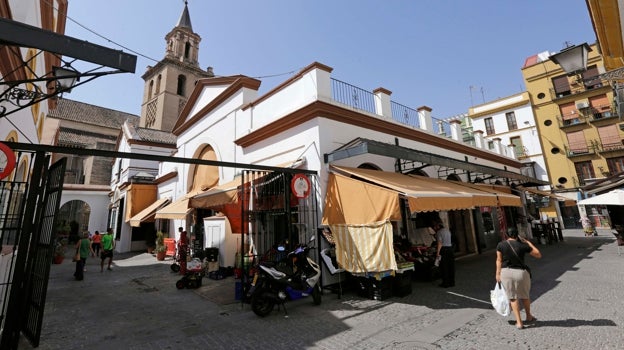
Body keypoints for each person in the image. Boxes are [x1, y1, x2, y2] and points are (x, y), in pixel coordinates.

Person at [495, 229, 542, 329]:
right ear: (517, 235)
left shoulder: (501, 245)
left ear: (506, 235)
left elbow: (499, 260)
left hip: (506, 273)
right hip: (521, 273)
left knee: (513, 298)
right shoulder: (522, 245)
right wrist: (529, 243)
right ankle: (529, 316)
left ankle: (519, 322)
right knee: (525, 296)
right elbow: (538, 254)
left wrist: (497, 274)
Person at [432, 218, 455, 288]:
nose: (435, 228)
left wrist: (437, 253)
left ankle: (446, 283)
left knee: (444, 267)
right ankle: (452, 282)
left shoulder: (439, 232)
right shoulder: (447, 230)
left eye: (435, 227)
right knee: (451, 266)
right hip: (450, 249)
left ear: (438, 226)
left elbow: (440, 243)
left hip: (444, 250)